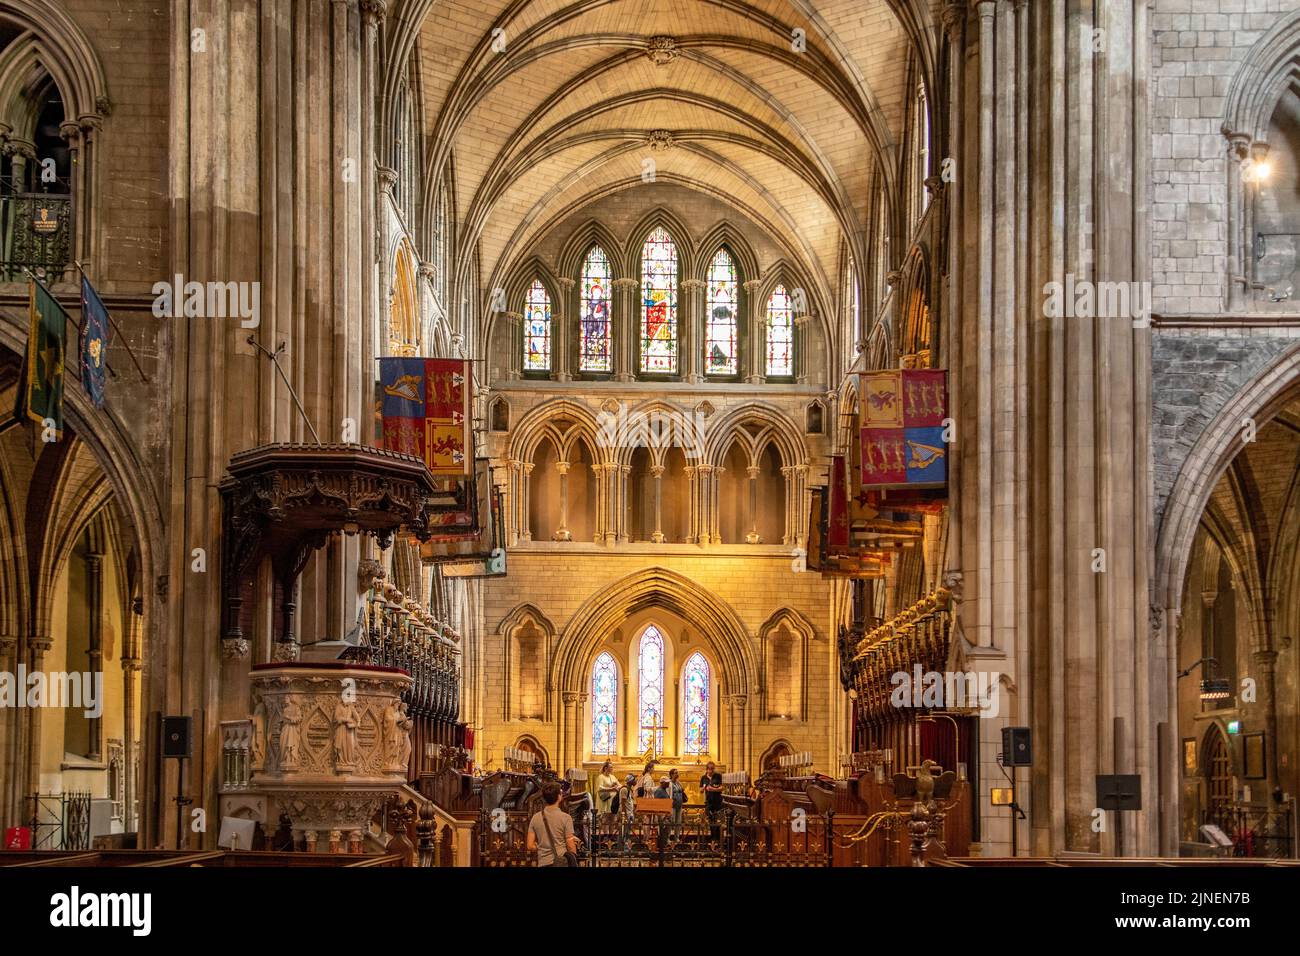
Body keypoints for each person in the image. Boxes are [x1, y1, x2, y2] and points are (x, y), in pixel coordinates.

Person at [526, 781, 579, 867]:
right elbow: (570, 845)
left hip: (543, 863)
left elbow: (530, 845)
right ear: (559, 797)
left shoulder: (535, 818)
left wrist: (541, 846)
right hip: (560, 862)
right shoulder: (565, 818)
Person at [700, 761, 724, 837]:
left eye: (713, 769)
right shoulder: (703, 777)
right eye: (710, 769)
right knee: (710, 819)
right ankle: (712, 837)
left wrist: (713, 789)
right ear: (707, 769)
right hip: (708, 802)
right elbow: (701, 789)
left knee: (718, 819)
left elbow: (722, 788)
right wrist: (702, 789)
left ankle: (717, 837)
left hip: (718, 801)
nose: (711, 770)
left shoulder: (718, 776)